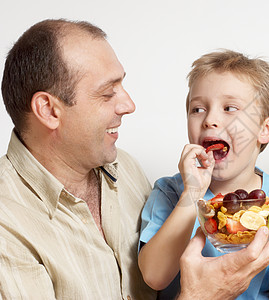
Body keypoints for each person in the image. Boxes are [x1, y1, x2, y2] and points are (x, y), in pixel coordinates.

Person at [138, 49, 269, 299]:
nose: (210, 120)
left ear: (265, 129)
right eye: (198, 109)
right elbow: (154, 276)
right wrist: (192, 194)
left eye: (230, 108)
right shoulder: (169, 192)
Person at [0, 18, 156, 299]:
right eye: (108, 93)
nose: (129, 105)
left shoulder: (128, 169)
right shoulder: (6, 223)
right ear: (48, 110)